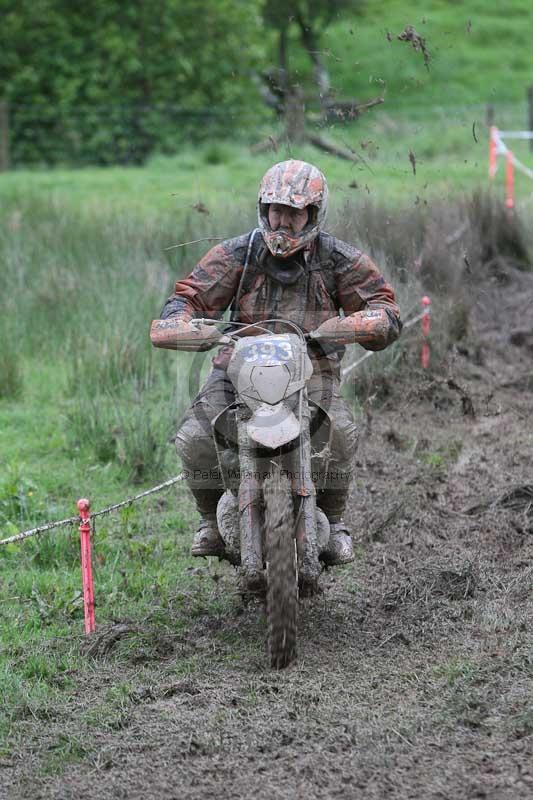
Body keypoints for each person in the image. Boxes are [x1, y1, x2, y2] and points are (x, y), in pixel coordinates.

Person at [157, 159, 401, 565]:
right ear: (263, 209)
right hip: (236, 370)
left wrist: (355, 325)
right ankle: (210, 522)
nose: (283, 221)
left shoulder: (337, 258)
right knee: (195, 436)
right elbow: (188, 296)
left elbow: (386, 308)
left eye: (294, 211)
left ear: (313, 213)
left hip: (312, 371)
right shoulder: (239, 252)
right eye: (276, 209)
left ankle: (336, 523)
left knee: (339, 433)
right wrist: (180, 322)